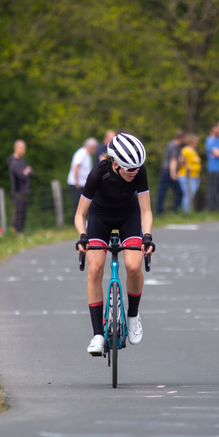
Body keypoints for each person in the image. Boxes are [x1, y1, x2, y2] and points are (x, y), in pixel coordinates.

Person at [74, 133, 155, 356]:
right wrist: (82, 236)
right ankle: (98, 335)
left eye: (138, 168)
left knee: (133, 267)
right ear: (116, 163)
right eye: (130, 169)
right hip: (100, 217)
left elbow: (146, 210)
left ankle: (133, 315)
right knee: (95, 268)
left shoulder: (138, 170)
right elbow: (80, 214)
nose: (135, 172)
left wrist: (147, 235)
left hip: (129, 217)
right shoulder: (98, 173)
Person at [67, 138, 98, 222]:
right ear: (91, 147)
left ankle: (83, 221)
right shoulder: (81, 153)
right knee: (78, 203)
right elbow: (76, 167)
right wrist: (76, 181)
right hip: (77, 183)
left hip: (82, 183)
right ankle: (76, 221)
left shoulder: (86, 154)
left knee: (84, 203)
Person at [156, 130, 185, 214]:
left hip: (168, 171)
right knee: (163, 192)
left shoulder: (174, 145)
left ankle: (174, 210)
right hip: (168, 172)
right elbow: (173, 160)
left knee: (176, 192)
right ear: (181, 138)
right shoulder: (174, 146)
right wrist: (173, 173)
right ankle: (160, 212)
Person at [8, 140, 33, 233]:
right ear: (16, 148)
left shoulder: (22, 160)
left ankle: (21, 232)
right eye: (22, 148)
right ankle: (15, 233)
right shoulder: (14, 163)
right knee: (18, 214)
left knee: (23, 213)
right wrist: (26, 172)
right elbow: (21, 176)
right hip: (18, 192)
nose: (24, 150)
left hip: (25, 191)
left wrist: (26, 172)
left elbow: (31, 171)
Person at [177, 134, 201, 212]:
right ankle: (186, 212)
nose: (196, 143)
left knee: (191, 195)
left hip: (195, 176)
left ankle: (188, 211)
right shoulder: (185, 150)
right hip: (186, 176)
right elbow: (181, 160)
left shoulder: (194, 151)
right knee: (188, 195)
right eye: (194, 141)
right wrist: (186, 166)